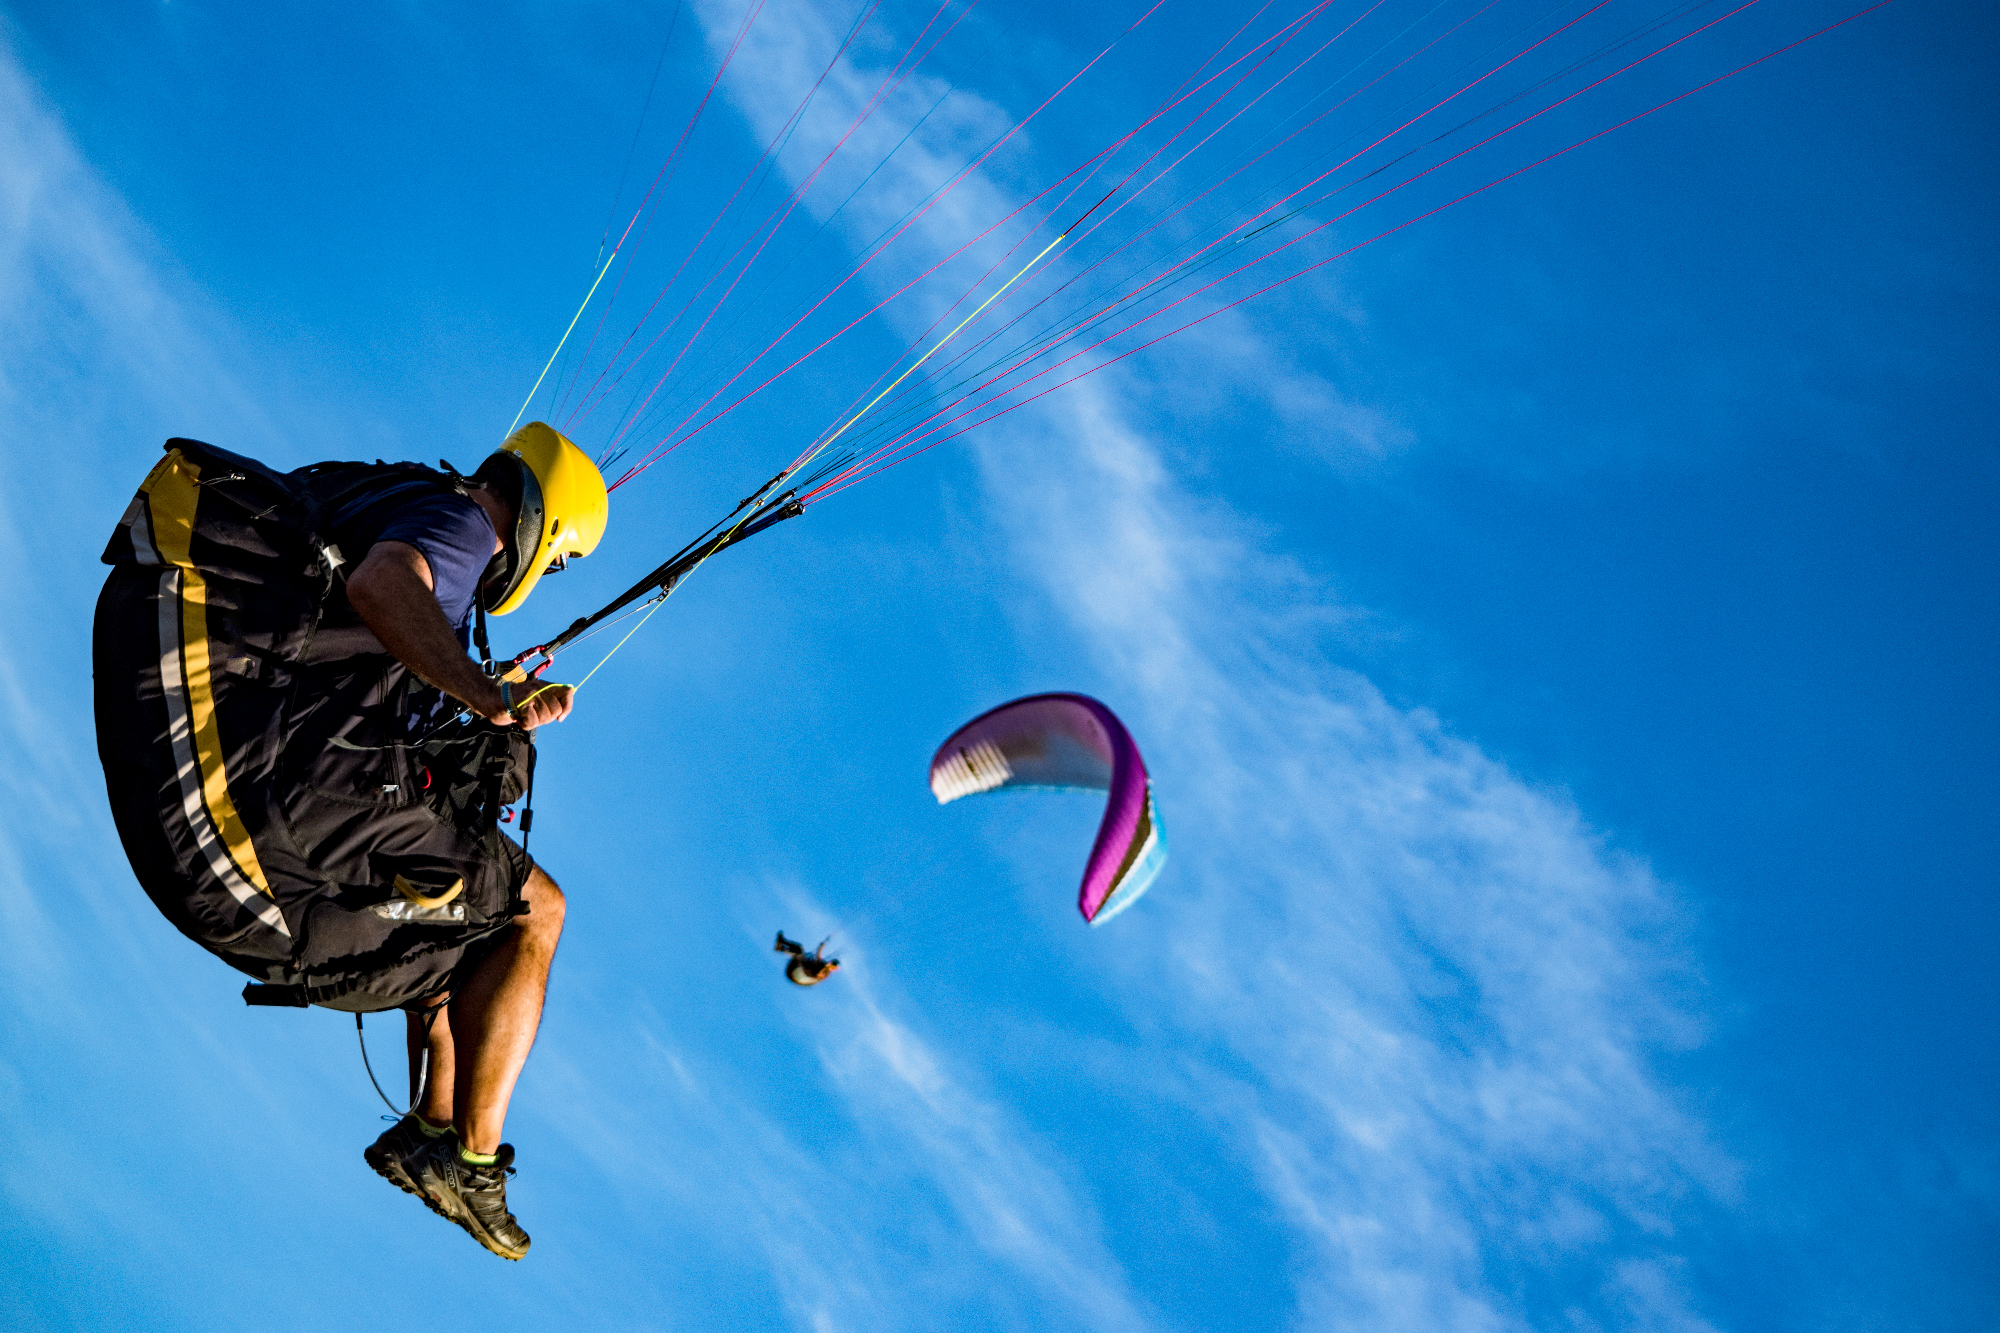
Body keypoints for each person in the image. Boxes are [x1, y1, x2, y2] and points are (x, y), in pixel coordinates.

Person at [93, 421, 606, 1261]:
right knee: (533, 910)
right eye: (556, 563)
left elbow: (353, 641)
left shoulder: (381, 490)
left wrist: (483, 703)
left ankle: (433, 1130)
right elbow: (383, 583)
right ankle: (474, 1159)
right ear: (546, 532)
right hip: (244, 817)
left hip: (200, 793)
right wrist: (484, 694)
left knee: (451, 900)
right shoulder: (464, 523)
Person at [774, 930, 840, 986]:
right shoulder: (823, 964)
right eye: (832, 962)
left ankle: (781, 948)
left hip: (800, 974)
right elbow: (818, 957)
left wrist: (826, 966)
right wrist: (821, 947)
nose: (830, 962)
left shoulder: (825, 973)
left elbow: (818, 973)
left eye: (832, 964)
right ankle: (781, 944)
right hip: (799, 971)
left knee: (799, 954)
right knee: (799, 948)